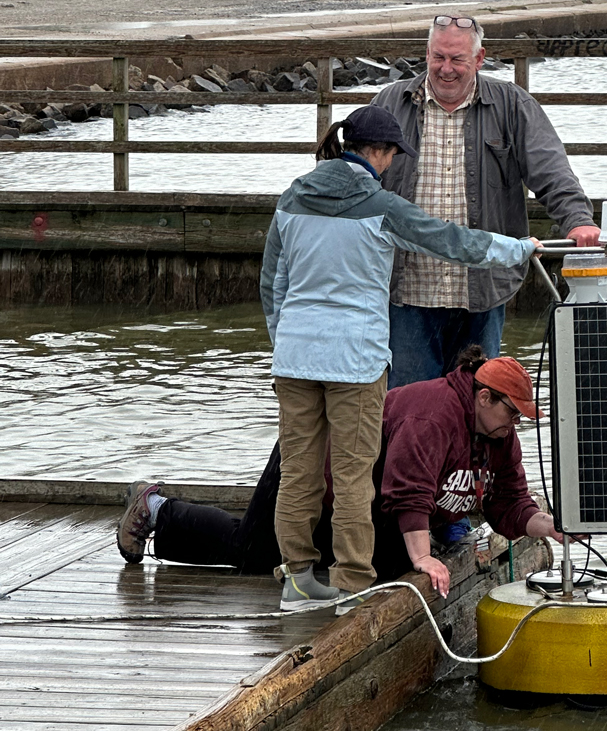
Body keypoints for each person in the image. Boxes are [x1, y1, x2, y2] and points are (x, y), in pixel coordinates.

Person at [117, 105, 540, 616]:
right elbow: (452, 242)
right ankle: (351, 583)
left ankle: (296, 582)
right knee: (352, 473)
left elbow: (273, 282)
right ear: (379, 154)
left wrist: (287, 340)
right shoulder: (381, 205)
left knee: (299, 472)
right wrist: (518, 248)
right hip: (354, 360)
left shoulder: (293, 197)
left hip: (295, 356)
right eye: (390, 156)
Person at [114, 350, 562, 601]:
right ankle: (154, 507)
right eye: (512, 411)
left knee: (384, 564)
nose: (516, 423)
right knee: (250, 552)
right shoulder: (433, 417)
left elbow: (508, 501)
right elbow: (409, 494)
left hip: (359, 504)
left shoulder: (499, 436)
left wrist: (550, 527)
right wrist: (424, 558)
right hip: (314, 468)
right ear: (484, 397)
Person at [371, 14, 600, 386]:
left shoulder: (512, 105)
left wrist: (577, 219)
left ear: (479, 59)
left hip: (482, 288)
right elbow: (359, 179)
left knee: (478, 406)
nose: (446, 69)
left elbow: (551, 169)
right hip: (406, 289)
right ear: (427, 53)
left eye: (457, 59)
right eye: (438, 57)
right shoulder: (389, 102)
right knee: (408, 410)